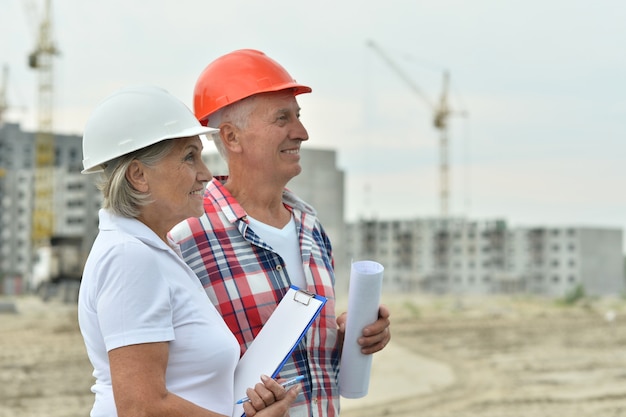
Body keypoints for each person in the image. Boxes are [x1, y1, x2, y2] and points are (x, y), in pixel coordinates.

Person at [170, 49, 391, 417]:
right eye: (282, 118)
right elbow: (169, 377)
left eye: (298, 117)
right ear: (232, 137)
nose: (301, 133)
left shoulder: (311, 230)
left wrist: (350, 338)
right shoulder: (186, 236)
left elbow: (304, 363)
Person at [77, 85, 298, 417]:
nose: (206, 174)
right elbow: (141, 408)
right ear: (139, 175)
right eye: (189, 156)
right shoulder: (129, 257)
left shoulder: (154, 249)